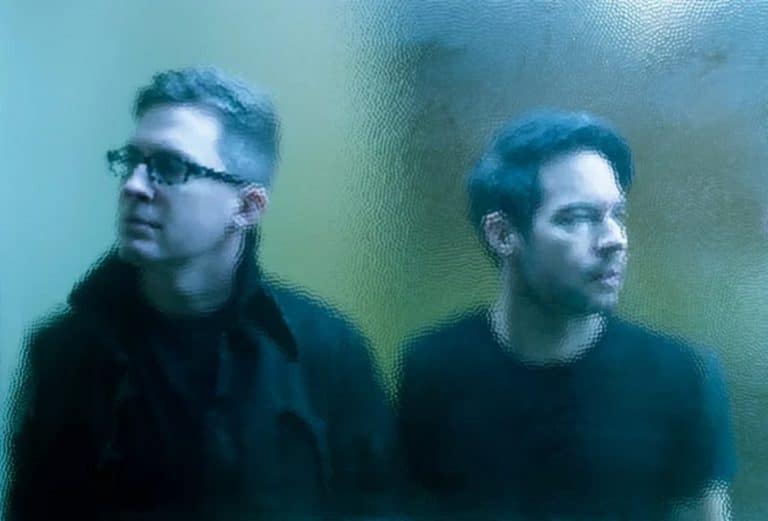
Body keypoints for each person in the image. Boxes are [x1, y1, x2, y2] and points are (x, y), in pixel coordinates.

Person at [7, 67, 397, 520]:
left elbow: (378, 508)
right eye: (131, 161)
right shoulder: (65, 352)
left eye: (170, 167)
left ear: (247, 206)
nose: (133, 185)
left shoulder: (325, 351)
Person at [398, 110, 736, 520]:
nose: (614, 240)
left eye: (617, 214)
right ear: (502, 234)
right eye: (577, 218)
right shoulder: (433, 370)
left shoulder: (680, 376)